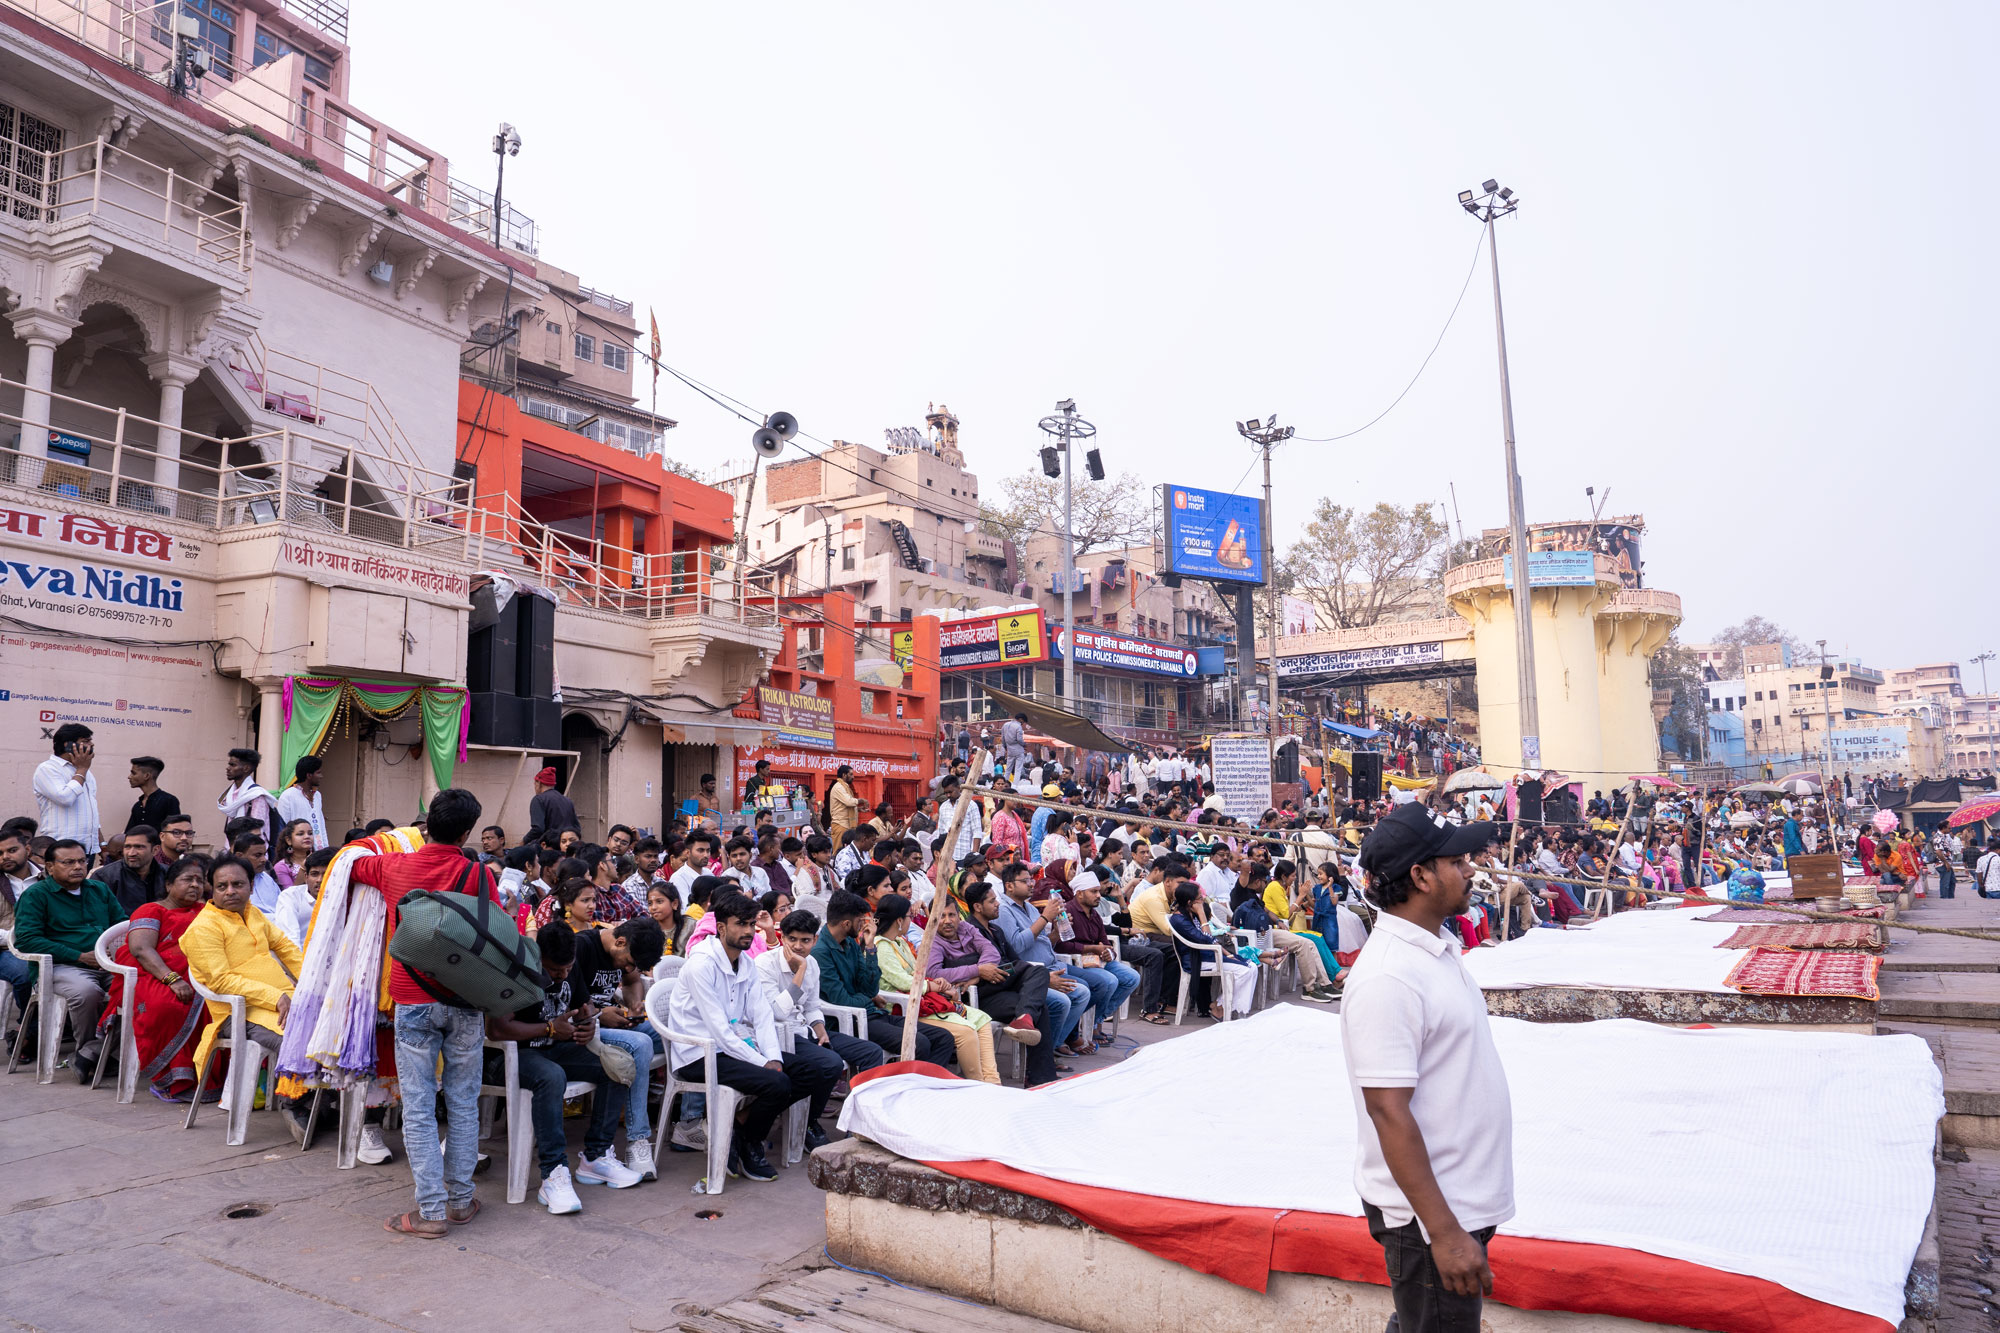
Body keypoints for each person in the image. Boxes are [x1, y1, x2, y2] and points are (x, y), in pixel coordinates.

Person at [1344, 802, 1512, 1329]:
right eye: (1456, 861)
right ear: (1420, 877)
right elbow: (1388, 1112)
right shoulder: (1388, 977)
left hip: (1456, 1200)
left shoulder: (1434, 948)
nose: (1470, 869)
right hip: (1429, 1217)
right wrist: (1444, 1232)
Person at [345, 788, 500, 1238]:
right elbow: (494, 929)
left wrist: (389, 838)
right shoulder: (477, 873)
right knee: (463, 1102)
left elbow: (350, 861)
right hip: (465, 999)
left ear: (426, 825)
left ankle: (430, 1212)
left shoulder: (394, 865)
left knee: (418, 1107)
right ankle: (460, 1201)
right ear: (468, 833)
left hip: (412, 1000)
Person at [669, 890, 836, 1182]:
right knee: (777, 1082)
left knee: (812, 1071)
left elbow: (762, 1016)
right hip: (700, 1054)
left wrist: (772, 1057)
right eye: (740, 924)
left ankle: (740, 1130)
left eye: (750, 924)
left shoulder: (744, 962)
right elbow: (720, 1031)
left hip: (736, 1046)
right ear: (722, 928)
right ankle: (752, 1143)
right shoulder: (701, 965)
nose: (748, 931)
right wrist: (763, 1063)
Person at [484, 922, 626, 1213]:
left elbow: (584, 1006)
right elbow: (496, 1029)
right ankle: (553, 1173)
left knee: (616, 1065)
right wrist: (549, 1028)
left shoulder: (569, 966)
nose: (562, 976)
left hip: (552, 1048)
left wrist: (587, 1023)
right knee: (552, 1076)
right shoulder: (517, 970)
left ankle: (596, 1156)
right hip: (509, 1056)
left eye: (567, 969)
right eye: (553, 970)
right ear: (539, 957)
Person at [183, 854, 311, 1138]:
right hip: (236, 1012)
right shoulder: (204, 928)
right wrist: (275, 996)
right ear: (212, 889)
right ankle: (296, 1103)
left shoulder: (253, 913)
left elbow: (286, 948)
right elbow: (221, 981)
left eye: (238, 884)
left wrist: (314, 984)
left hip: (282, 999)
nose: (230, 891)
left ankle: (320, 1104)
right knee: (297, 1039)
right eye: (222, 886)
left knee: (329, 1027)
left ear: (251, 886)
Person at [759, 906, 884, 1146]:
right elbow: (778, 1013)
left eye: (805, 941)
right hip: (782, 1035)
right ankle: (809, 1122)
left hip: (806, 1030)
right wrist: (799, 972)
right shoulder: (765, 964)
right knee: (830, 1063)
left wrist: (820, 1029)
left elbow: (812, 1006)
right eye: (792, 939)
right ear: (782, 938)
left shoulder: (812, 963)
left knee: (871, 1052)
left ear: (814, 940)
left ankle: (858, 1122)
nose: (798, 946)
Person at [566, 913, 668, 1184]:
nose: (629, 968)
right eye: (630, 962)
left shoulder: (627, 949)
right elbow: (565, 999)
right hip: (584, 1029)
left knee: (673, 1034)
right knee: (641, 1044)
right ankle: (638, 1140)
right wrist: (600, 1015)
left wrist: (634, 1005)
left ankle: (689, 1122)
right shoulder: (582, 947)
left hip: (613, 1023)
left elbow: (633, 981)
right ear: (620, 942)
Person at [99, 854, 210, 1100]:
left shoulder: (205, 911)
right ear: (169, 884)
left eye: (200, 881)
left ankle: (205, 1076)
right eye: (188, 879)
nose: (195, 885)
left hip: (199, 974)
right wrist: (172, 979)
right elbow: (141, 949)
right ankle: (170, 1079)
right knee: (169, 1006)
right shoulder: (151, 910)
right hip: (154, 973)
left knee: (216, 1005)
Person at [13, 837, 125, 1079]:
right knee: (87, 992)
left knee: (142, 990)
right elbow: (27, 940)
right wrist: (80, 956)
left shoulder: (99, 889)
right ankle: (95, 1054)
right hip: (60, 967)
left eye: (82, 861)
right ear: (50, 867)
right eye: (68, 862)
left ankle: (89, 1054)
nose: (78, 867)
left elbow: (121, 925)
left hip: (106, 964)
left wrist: (115, 953)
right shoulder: (36, 895)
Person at [813, 889, 956, 1068]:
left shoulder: (850, 943)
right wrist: (868, 998)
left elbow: (870, 988)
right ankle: (908, 1084)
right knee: (918, 1043)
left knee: (943, 1038)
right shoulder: (821, 953)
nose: (863, 925)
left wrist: (870, 948)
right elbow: (842, 1000)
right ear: (846, 923)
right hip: (851, 1021)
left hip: (874, 1014)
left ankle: (929, 1082)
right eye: (860, 921)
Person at [873, 892, 1000, 1083]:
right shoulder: (882, 947)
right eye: (909, 917)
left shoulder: (900, 942)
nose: (911, 921)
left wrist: (938, 983)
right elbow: (903, 982)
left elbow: (918, 973)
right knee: (966, 1032)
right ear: (899, 920)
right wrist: (934, 986)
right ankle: (978, 1084)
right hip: (906, 1008)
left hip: (924, 1001)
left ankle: (992, 1081)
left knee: (982, 1019)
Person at [995, 862, 1089, 1051]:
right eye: (1025, 881)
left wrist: (1056, 932)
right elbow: (1017, 946)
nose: (1031, 884)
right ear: (1009, 886)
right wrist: (1045, 917)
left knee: (1087, 989)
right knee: (1072, 996)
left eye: (1031, 880)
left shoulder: (1029, 908)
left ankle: (1055, 1044)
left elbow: (1044, 942)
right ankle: (1046, 1049)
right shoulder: (1004, 910)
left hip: (1052, 966)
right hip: (1031, 973)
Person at [1049, 870, 1143, 1040]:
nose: (1098, 895)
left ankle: (1096, 1019)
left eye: (1098, 891)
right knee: (1109, 980)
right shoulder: (1067, 912)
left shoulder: (1094, 914)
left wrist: (1108, 952)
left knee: (1132, 977)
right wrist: (1091, 948)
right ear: (1079, 894)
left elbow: (1105, 942)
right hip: (1078, 962)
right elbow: (1061, 946)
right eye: (1093, 892)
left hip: (1098, 960)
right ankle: (1088, 1025)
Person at [34, 723, 102, 857]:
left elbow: (91, 811)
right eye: (86, 741)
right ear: (68, 745)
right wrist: (82, 769)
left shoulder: (86, 772)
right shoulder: (47, 769)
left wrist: (101, 844)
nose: (92, 744)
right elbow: (65, 798)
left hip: (88, 850)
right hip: (61, 850)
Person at [272, 847, 334, 948]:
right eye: (314, 874)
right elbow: (289, 939)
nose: (319, 880)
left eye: (326, 874)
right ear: (306, 877)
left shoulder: (344, 898)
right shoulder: (291, 896)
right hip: (298, 954)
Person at [97, 823, 165, 915]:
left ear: (155, 850)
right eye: (127, 847)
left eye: (139, 847)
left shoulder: (168, 875)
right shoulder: (104, 877)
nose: (131, 853)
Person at [217, 748, 275, 848]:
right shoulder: (229, 794)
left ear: (246, 768)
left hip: (251, 851)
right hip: (231, 849)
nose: (228, 768)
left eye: (233, 765)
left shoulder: (256, 795)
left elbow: (258, 831)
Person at [275, 755, 329, 851]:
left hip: (317, 851)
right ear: (309, 775)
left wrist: (325, 849)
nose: (321, 776)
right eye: (318, 773)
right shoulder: (288, 795)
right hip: (297, 852)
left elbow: (321, 825)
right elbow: (282, 827)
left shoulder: (317, 795)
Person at [525, 768, 580, 848]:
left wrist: (523, 842)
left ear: (539, 783)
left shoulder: (539, 799)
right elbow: (577, 827)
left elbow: (538, 829)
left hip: (548, 848)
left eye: (535, 784)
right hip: (566, 847)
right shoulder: (567, 800)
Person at [126, 755, 181, 835]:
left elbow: (175, 832)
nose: (129, 777)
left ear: (147, 776)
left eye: (133, 773)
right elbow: (129, 834)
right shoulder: (137, 806)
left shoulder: (169, 801)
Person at [271, 818, 316, 889]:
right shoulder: (281, 867)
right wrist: (303, 868)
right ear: (288, 840)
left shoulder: (319, 860)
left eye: (310, 833)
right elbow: (290, 894)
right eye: (300, 834)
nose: (307, 836)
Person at [827, 765, 862, 843]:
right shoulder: (838, 787)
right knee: (839, 849)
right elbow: (848, 802)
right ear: (844, 775)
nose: (853, 777)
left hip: (847, 825)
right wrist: (861, 800)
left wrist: (858, 809)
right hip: (841, 825)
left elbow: (844, 806)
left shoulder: (845, 787)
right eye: (851, 774)